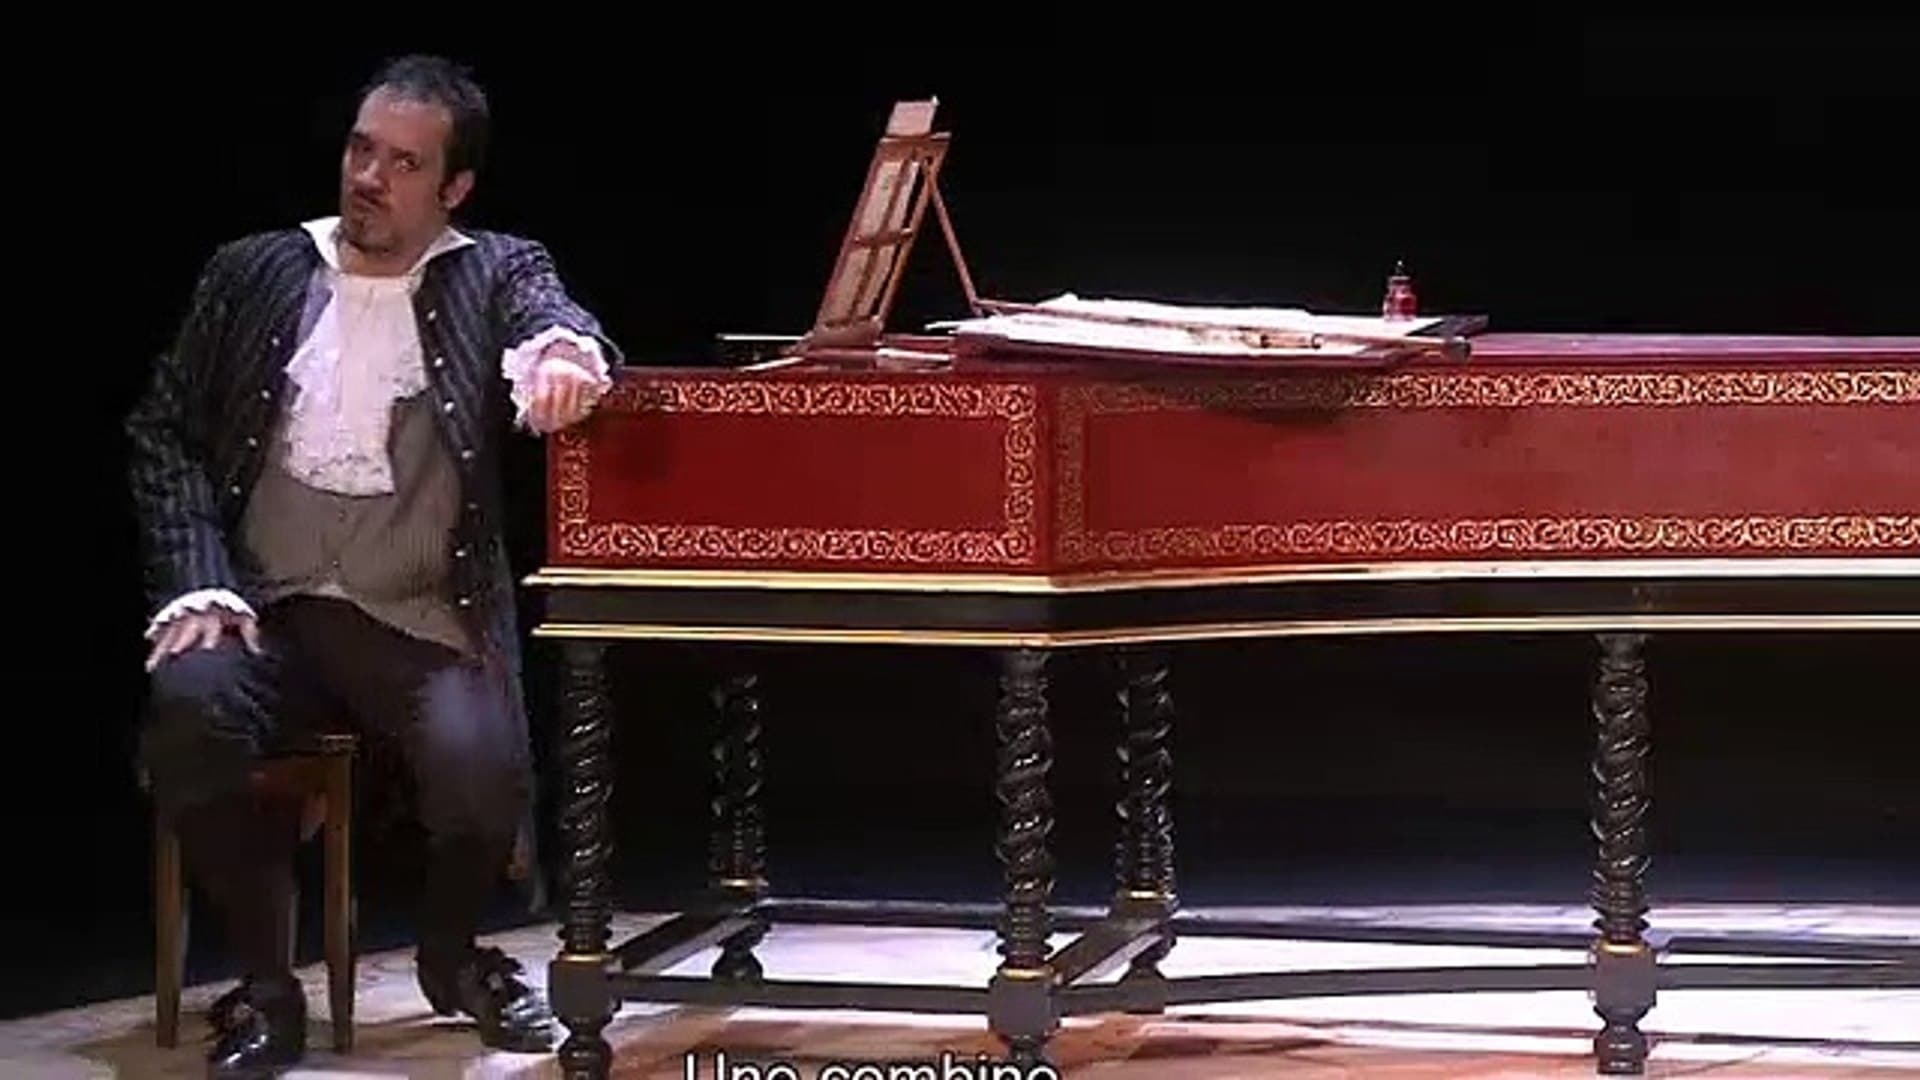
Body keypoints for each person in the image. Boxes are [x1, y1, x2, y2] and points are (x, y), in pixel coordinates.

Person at [125, 54, 619, 1075]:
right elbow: (162, 429)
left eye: (403, 163)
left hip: (413, 616)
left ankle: (451, 956)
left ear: (454, 187)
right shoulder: (255, 270)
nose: (369, 177)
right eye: (361, 150)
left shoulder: (490, 270)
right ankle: (266, 990)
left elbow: (553, 317)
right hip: (264, 608)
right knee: (191, 707)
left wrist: (566, 357)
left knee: (483, 775)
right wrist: (194, 578)